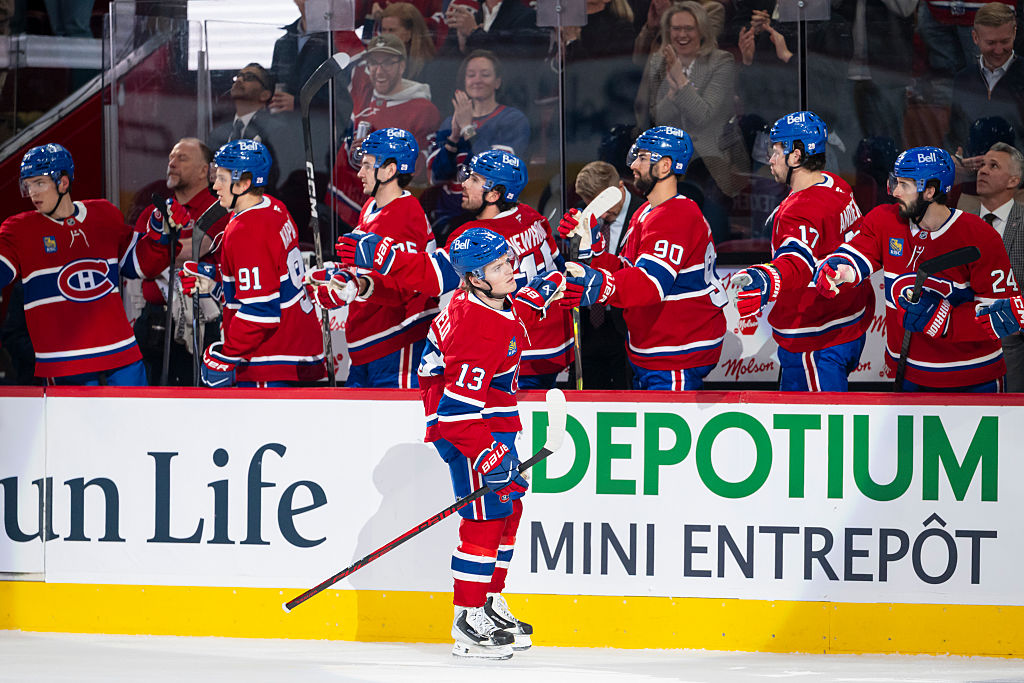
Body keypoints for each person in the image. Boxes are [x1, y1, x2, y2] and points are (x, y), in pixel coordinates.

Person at [417, 226, 566, 659]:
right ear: (475, 278)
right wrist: (485, 451)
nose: (511, 270)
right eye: (499, 267)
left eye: (509, 261)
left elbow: (509, 322)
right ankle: (467, 615)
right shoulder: (475, 324)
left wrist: (540, 294)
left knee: (508, 509)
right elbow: (456, 413)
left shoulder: (489, 301)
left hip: (492, 423)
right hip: (468, 432)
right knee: (483, 520)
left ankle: (488, 599)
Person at [336, 150, 574, 389]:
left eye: (474, 180)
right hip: (554, 348)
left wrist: (386, 258)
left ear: (494, 194)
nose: (464, 184)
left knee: (489, 421)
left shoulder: (479, 236)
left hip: (517, 355)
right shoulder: (531, 217)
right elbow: (559, 270)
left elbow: (435, 278)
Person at [814, 146, 1020, 391]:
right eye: (895, 182)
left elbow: (1006, 316)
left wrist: (947, 321)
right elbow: (856, 254)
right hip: (909, 373)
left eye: (905, 185)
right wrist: (838, 271)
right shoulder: (885, 220)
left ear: (930, 191)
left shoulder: (979, 236)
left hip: (974, 379)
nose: (896, 192)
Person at [559, 126, 729, 390]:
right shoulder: (648, 212)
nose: (634, 165)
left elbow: (650, 285)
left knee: (669, 430)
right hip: (655, 349)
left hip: (676, 351)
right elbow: (628, 270)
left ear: (665, 166)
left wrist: (598, 285)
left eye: (642, 157)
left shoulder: (675, 216)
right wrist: (595, 251)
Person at [0, 144, 175, 385]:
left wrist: (159, 233)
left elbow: (140, 265)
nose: (33, 193)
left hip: (121, 354)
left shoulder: (103, 214)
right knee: (75, 425)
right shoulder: (19, 230)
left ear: (63, 183)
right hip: (65, 362)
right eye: (28, 185)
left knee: (135, 423)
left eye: (39, 183)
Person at [733, 112, 875, 391]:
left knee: (822, 430)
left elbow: (797, 261)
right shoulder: (836, 185)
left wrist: (766, 278)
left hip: (816, 340)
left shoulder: (798, 211)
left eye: (776, 151)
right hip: (847, 328)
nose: (770, 159)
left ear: (796, 156)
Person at [185, 140, 326, 388]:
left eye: (221, 178)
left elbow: (261, 312)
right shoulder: (273, 207)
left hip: (271, 362)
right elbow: (271, 286)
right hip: (297, 351)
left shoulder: (247, 229)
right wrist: (216, 287)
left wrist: (226, 355)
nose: (215, 186)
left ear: (244, 183)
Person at [317, 128, 439, 388]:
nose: (359, 173)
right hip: (369, 343)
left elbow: (406, 286)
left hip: (397, 341)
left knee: (396, 425)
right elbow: (368, 268)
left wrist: (357, 286)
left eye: (367, 165)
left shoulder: (405, 214)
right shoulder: (373, 207)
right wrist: (337, 274)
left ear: (389, 170)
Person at [635, 1, 749, 237]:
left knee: (710, 235)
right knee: (668, 234)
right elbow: (659, 118)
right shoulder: (659, 61)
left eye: (689, 28)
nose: (682, 35)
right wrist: (674, 95)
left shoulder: (722, 61)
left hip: (712, 165)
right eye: (676, 29)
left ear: (702, 31)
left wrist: (679, 80)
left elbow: (704, 115)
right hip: (672, 167)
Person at [132, 138, 228, 385]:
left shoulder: (218, 208)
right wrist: (163, 254)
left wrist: (159, 251)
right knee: (151, 404)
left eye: (182, 158)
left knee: (198, 403)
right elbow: (141, 261)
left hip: (202, 322)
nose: (172, 164)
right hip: (153, 320)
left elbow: (191, 251)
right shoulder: (153, 211)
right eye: (171, 158)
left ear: (204, 170)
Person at [329, 34, 441, 229]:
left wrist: (384, 154)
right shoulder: (364, 90)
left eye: (388, 63)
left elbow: (427, 172)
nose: (379, 71)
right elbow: (341, 33)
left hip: (384, 215)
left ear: (402, 66)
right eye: (373, 63)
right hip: (339, 205)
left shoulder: (423, 109)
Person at [425, 50, 530, 241]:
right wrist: (454, 139)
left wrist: (467, 128)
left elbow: (496, 172)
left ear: (497, 82)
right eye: (471, 75)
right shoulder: (450, 123)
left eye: (485, 74)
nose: (477, 80)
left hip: (491, 218)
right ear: (464, 82)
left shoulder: (512, 119)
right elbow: (436, 177)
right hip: (447, 220)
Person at [568, 161, 644, 389]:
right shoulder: (582, 214)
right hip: (589, 325)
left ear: (620, 188)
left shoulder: (643, 215)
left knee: (627, 398)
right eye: (591, 205)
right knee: (583, 398)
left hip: (626, 324)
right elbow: (575, 265)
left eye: (603, 204)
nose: (598, 212)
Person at [968, 142, 1024, 391]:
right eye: (981, 165)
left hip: (1012, 350)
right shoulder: (956, 222)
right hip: (958, 347)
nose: (983, 171)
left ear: (1013, 181)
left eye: (993, 166)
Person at [949, 2, 1024, 163]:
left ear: (1015, 33)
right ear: (975, 38)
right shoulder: (963, 79)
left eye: (1005, 41)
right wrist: (957, 159)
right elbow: (955, 135)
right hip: (972, 173)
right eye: (991, 43)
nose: (998, 50)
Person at [381, 2, 437, 80]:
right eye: (383, 30)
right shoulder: (377, 63)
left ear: (409, 33)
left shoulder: (431, 69)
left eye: (391, 30)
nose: (385, 36)